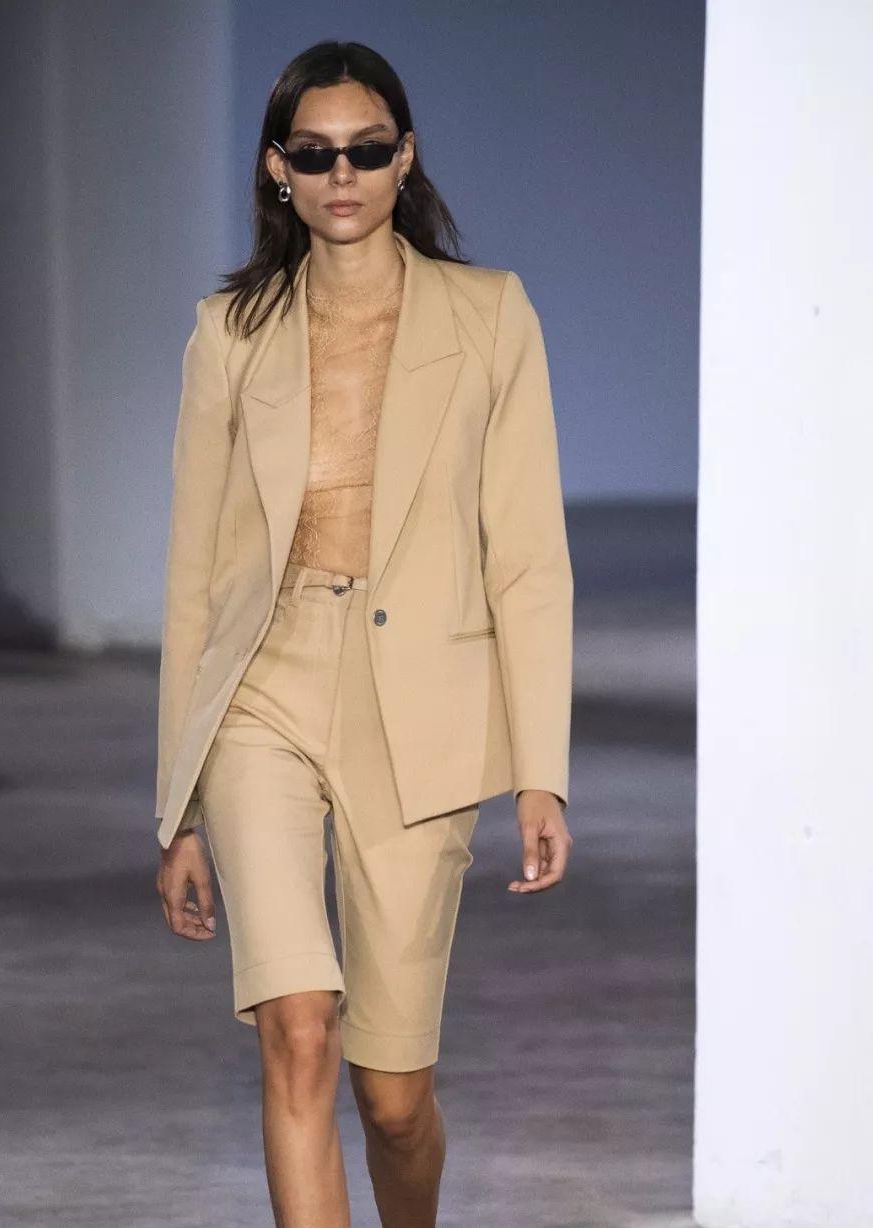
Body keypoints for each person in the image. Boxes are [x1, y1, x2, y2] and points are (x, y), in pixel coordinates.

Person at [154, 41, 574, 1227]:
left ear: (406, 158)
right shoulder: (230, 332)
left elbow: (528, 560)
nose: (343, 174)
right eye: (316, 152)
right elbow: (195, 579)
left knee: (392, 1098)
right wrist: (176, 804)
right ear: (277, 169)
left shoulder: (490, 316)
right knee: (298, 1030)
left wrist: (540, 771)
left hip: (422, 705)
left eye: (368, 149)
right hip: (265, 689)